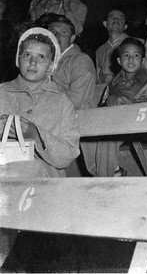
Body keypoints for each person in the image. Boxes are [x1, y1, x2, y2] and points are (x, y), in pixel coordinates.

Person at [0, 27, 80, 268]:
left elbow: (67, 155)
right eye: (27, 55)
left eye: (41, 57)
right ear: (18, 59)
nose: (33, 62)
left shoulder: (61, 101)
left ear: (52, 65)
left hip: (44, 184)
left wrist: (34, 134)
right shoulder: (1, 92)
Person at [94, 37, 147, 177]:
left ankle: (107, 178)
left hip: (140, 126)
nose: (131, 60)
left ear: (142, 61)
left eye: (136, 55)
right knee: (88, 141)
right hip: (116, 126)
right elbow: (102, 107)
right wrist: (112, 102)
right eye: (126, 55)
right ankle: (113, 171)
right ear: (119, 61)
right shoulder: (113, 84)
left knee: (108, 139)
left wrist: (128, 105)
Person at [48, 16, 97, 175]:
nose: (56, 35)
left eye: (62, 32)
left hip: (79, 120)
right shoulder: (46, 61)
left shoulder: (80, 60)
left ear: (72, 38)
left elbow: (74, 101)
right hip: (56, 121)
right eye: (52, 32)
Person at [95, 9, 129, 85]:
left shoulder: (134, 45)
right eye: (112, 17)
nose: (116, 20)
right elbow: (98, 80)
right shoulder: (100, 50)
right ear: (105, 24)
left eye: (120, 18)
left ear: (125, 26)